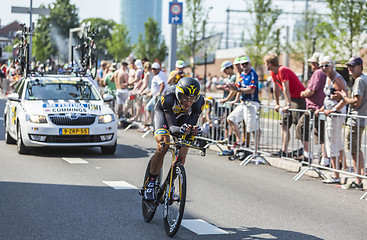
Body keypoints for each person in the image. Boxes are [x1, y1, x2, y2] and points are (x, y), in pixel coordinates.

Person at [142, 77, 204, 201]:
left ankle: (171, 184)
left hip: (182, 119)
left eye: (192, 99)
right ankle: (151, 183)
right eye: (185, 98)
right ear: (178, 94)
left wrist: (193, 130)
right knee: (163, 146)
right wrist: (181, 130)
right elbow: (171, 127)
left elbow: (191, 123)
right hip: (164, 116)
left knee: (182, 155)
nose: (188, 102)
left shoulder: (200, 102)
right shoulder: (168, 97)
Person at [264, 54, 306, 157]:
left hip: (297, 99)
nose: (265, 65)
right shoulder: (273, 72)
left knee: (299, 126)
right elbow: (276, 89)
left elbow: (285, 87)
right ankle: (284, 150)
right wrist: (277, 103)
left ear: (269, 64)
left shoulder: (282, 70)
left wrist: (288, 104)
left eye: (265, 63)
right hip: (290, 99)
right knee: (284, 124)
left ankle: (306, 152)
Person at [315, 56, 348, 184]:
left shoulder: (337, 79)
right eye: (321, 65)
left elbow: (344, 99)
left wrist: (333, 110)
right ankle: (344, 168)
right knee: (337, 142)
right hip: (330, 113)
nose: (323, 68)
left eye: (326, 65)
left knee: (331, 144)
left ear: (332, 65)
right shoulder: (328, 78)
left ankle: (336, 175)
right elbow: (329, 99)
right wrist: (322, 109)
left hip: (335, 115)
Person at [337, 57, 367, 189]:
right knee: (356, 149)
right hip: (360, 118)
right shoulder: (363, 79)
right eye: (349, 66)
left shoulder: (360, 80)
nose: (350, 68)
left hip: (356, 119)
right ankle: (359, 177)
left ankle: (358, 180)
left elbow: (356, 101)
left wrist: (344, 97)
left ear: (360, 66)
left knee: (354, 150)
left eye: (353, 66)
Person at [295, 52, 327, 164]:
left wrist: (303, 93)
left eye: (313, 62)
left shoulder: (318, 73)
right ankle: (324, 159)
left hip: (314, 107)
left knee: (301, 127)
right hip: (322, 107)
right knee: (321, 133)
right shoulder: (325, 73)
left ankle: (307, 154)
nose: (311, 65)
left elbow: (311, 91)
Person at [225, 56, 260, 153]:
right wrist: (229, 87)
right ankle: (240, 141)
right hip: (244, 103)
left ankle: (256, 150)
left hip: (252, 103)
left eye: (246, 63)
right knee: (231, 118)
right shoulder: (242, 75)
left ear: (250, 64)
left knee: (252, 127)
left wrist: (237, 89)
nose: (244, 65)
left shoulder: (253, 74)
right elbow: (237, 88)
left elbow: (251, 90)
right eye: (242, 64)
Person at [216, 60, 238, 156]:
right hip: (227, 103)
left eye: (225, 69)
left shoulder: (234, 77)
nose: (224, 71)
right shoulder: (229, 77)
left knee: (229, 124)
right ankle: (227, 145)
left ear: (230, 68)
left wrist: (226, 99)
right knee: (226, 124)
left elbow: (233, 90)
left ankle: (229, 146)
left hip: (230, 103)